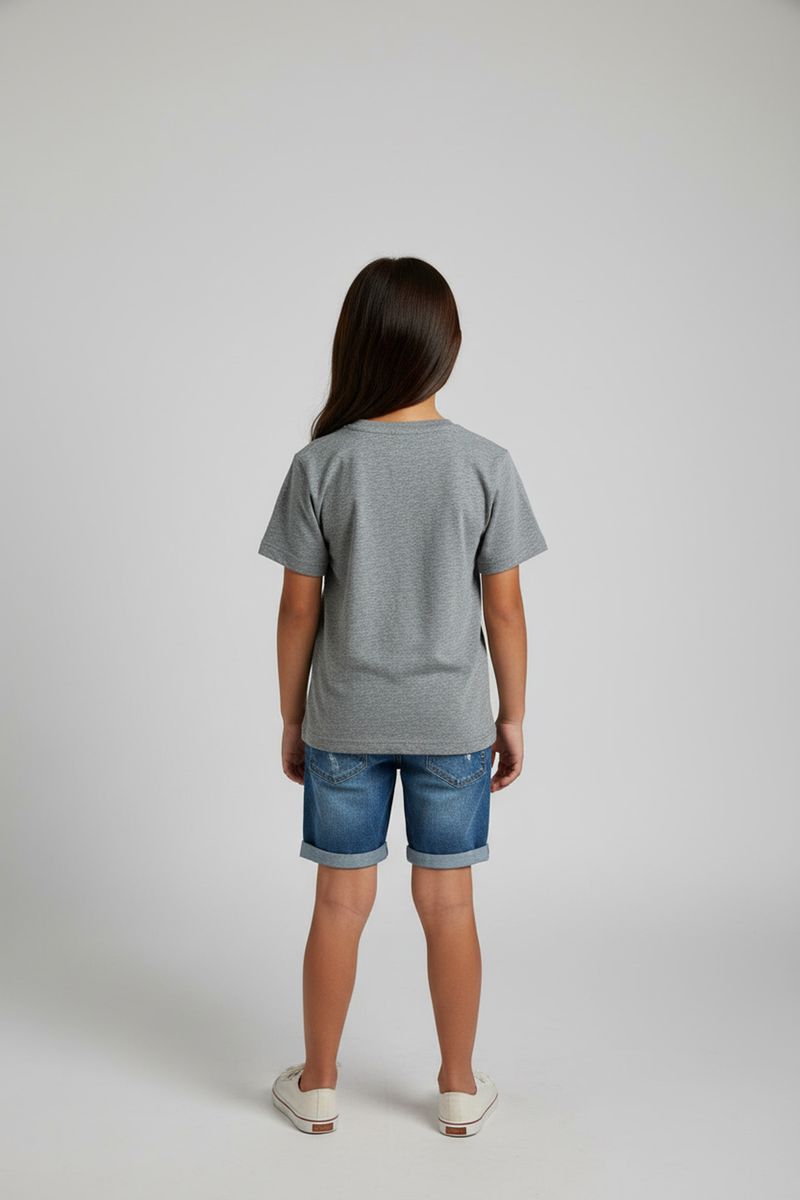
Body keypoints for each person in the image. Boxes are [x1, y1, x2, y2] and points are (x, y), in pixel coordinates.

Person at [258, 257, 548, 1137]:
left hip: (344, 720)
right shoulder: (485, 463)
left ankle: (317, 1086)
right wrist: (511, 716)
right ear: (444, 347)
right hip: (453, 724)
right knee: (449, 904)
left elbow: (297, 610)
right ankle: (457, 1089)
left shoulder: (321, 463)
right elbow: (505, 609)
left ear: (356, 344)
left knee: (338, 904)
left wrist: (293, 716)